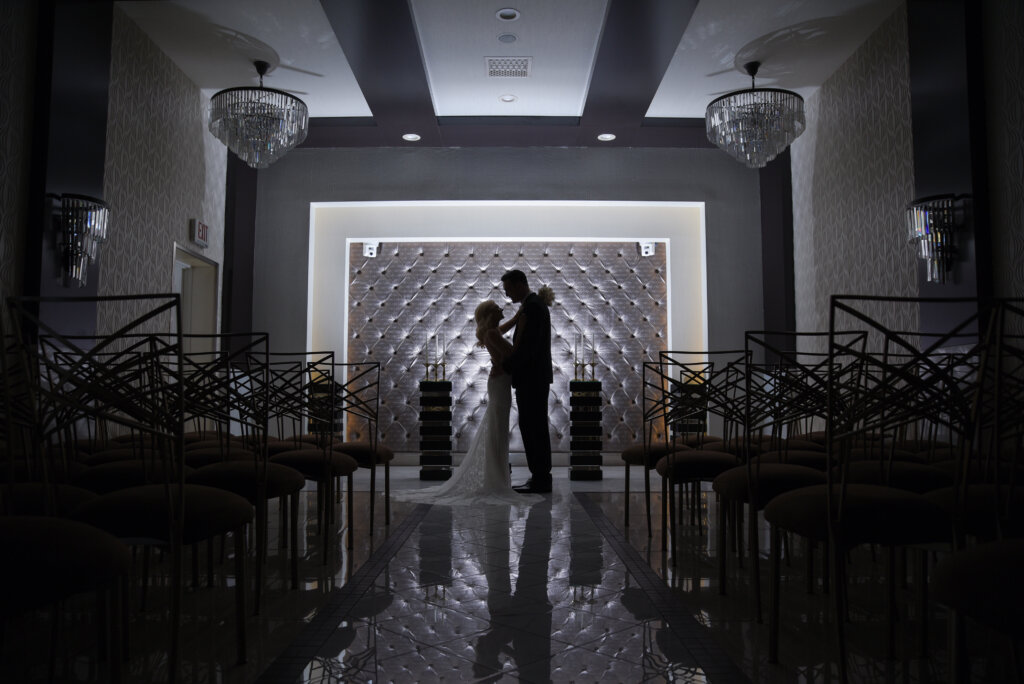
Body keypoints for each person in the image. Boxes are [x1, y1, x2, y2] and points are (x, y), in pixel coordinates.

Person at [393, 300, 541, 506]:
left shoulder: (492, 332)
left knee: (497, 426)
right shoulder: (492, 334)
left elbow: (502, 330)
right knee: (497, 427)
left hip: (500, 382)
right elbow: (513, 354)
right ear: (490, 313)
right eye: (497, 308)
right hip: (500, 384)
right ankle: (496, 478)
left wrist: (516, 319)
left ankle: (497, 474)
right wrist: (521, 327)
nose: (501, 309)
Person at [500, 269, 554, 494]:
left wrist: (507, 366)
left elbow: (529, 347)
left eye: (508, 289)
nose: (507, 294)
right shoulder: (531, 305)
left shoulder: (533, 306)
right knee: (532, 425)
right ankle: (539, 477)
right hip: (533, 377)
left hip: (532, 377)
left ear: (520, 284)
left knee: (533, 427)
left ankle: (541, 479)